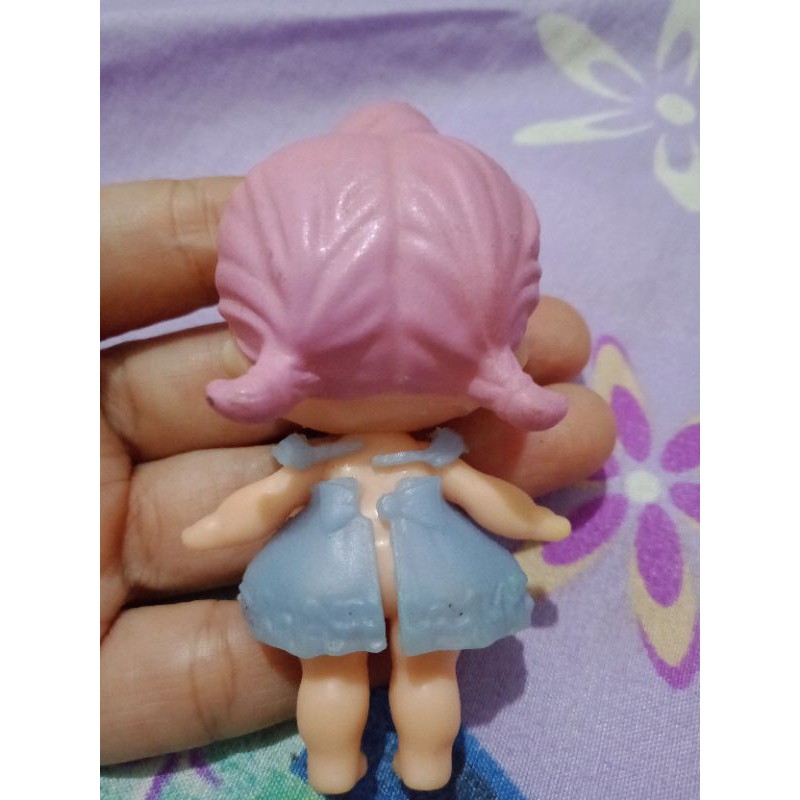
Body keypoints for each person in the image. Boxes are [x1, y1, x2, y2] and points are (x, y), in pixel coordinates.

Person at [100, 169, 616, 773]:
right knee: (420, 672)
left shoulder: (347, 458)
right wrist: (533, 520)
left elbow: (267, 501)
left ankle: (345, 760)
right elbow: (485, 497)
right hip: (430, 570)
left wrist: (216, 527)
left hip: (332, 574)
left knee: (337, 674)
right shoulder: (420, 457)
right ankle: (410, 760)